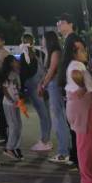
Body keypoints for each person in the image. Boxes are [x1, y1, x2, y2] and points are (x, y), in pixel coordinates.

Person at [65, 38, 92, 183]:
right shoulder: (76, 65)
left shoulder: (77, 65)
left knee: (91, 144)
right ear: (73, 53)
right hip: (85, 110)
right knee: (87, 145)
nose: (85, 52)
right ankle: (88, 179)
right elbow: (82, 85)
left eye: (84, 49)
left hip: (87, 109)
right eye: (81, 50)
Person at [38, 31, 72, 163]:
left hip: (55, 87)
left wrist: (42, 85)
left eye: (42, 38)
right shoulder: (51, 52)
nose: (41, 41)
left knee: (59, 119)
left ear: (48, 39)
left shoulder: (56, 52)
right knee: (60, 118)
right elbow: (47, 72)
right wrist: (42, 83)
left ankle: (63, 152)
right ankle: (66, 148)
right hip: (52, 86)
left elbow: (51, 71)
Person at [52, 13, 79, 166]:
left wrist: (63, 84)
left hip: (74, 87)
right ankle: (75, 156)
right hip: (71, 86)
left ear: (70, 23)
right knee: (72, 124)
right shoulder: (68, 40)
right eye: (57, 22)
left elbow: (73, 64)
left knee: (75, 124)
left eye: (61, 22)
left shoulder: (72, 39)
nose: (58, 25)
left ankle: (77, 158)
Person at [19, 33, 52, 152]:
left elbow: (22, 76)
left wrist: (21, 90)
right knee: (46, 114)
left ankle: (44, 141)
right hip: (45, 85)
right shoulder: (40, 54)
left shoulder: (24, 57)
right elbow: (46, 69)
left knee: (43, 115)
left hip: (34, 88)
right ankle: (47, 139)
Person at [1, 55, 24, 160]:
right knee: (13, 125)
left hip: (16, 103)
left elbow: (17, 89)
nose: (17, 62)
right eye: (15, 61)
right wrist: (11, 100)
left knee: (18, 125)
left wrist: (18, 99)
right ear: (10, 63)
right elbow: (4, 89)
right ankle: (9, 148)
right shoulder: (9, 74)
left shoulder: (16, 73)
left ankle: (15, 146)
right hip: (9, 104)